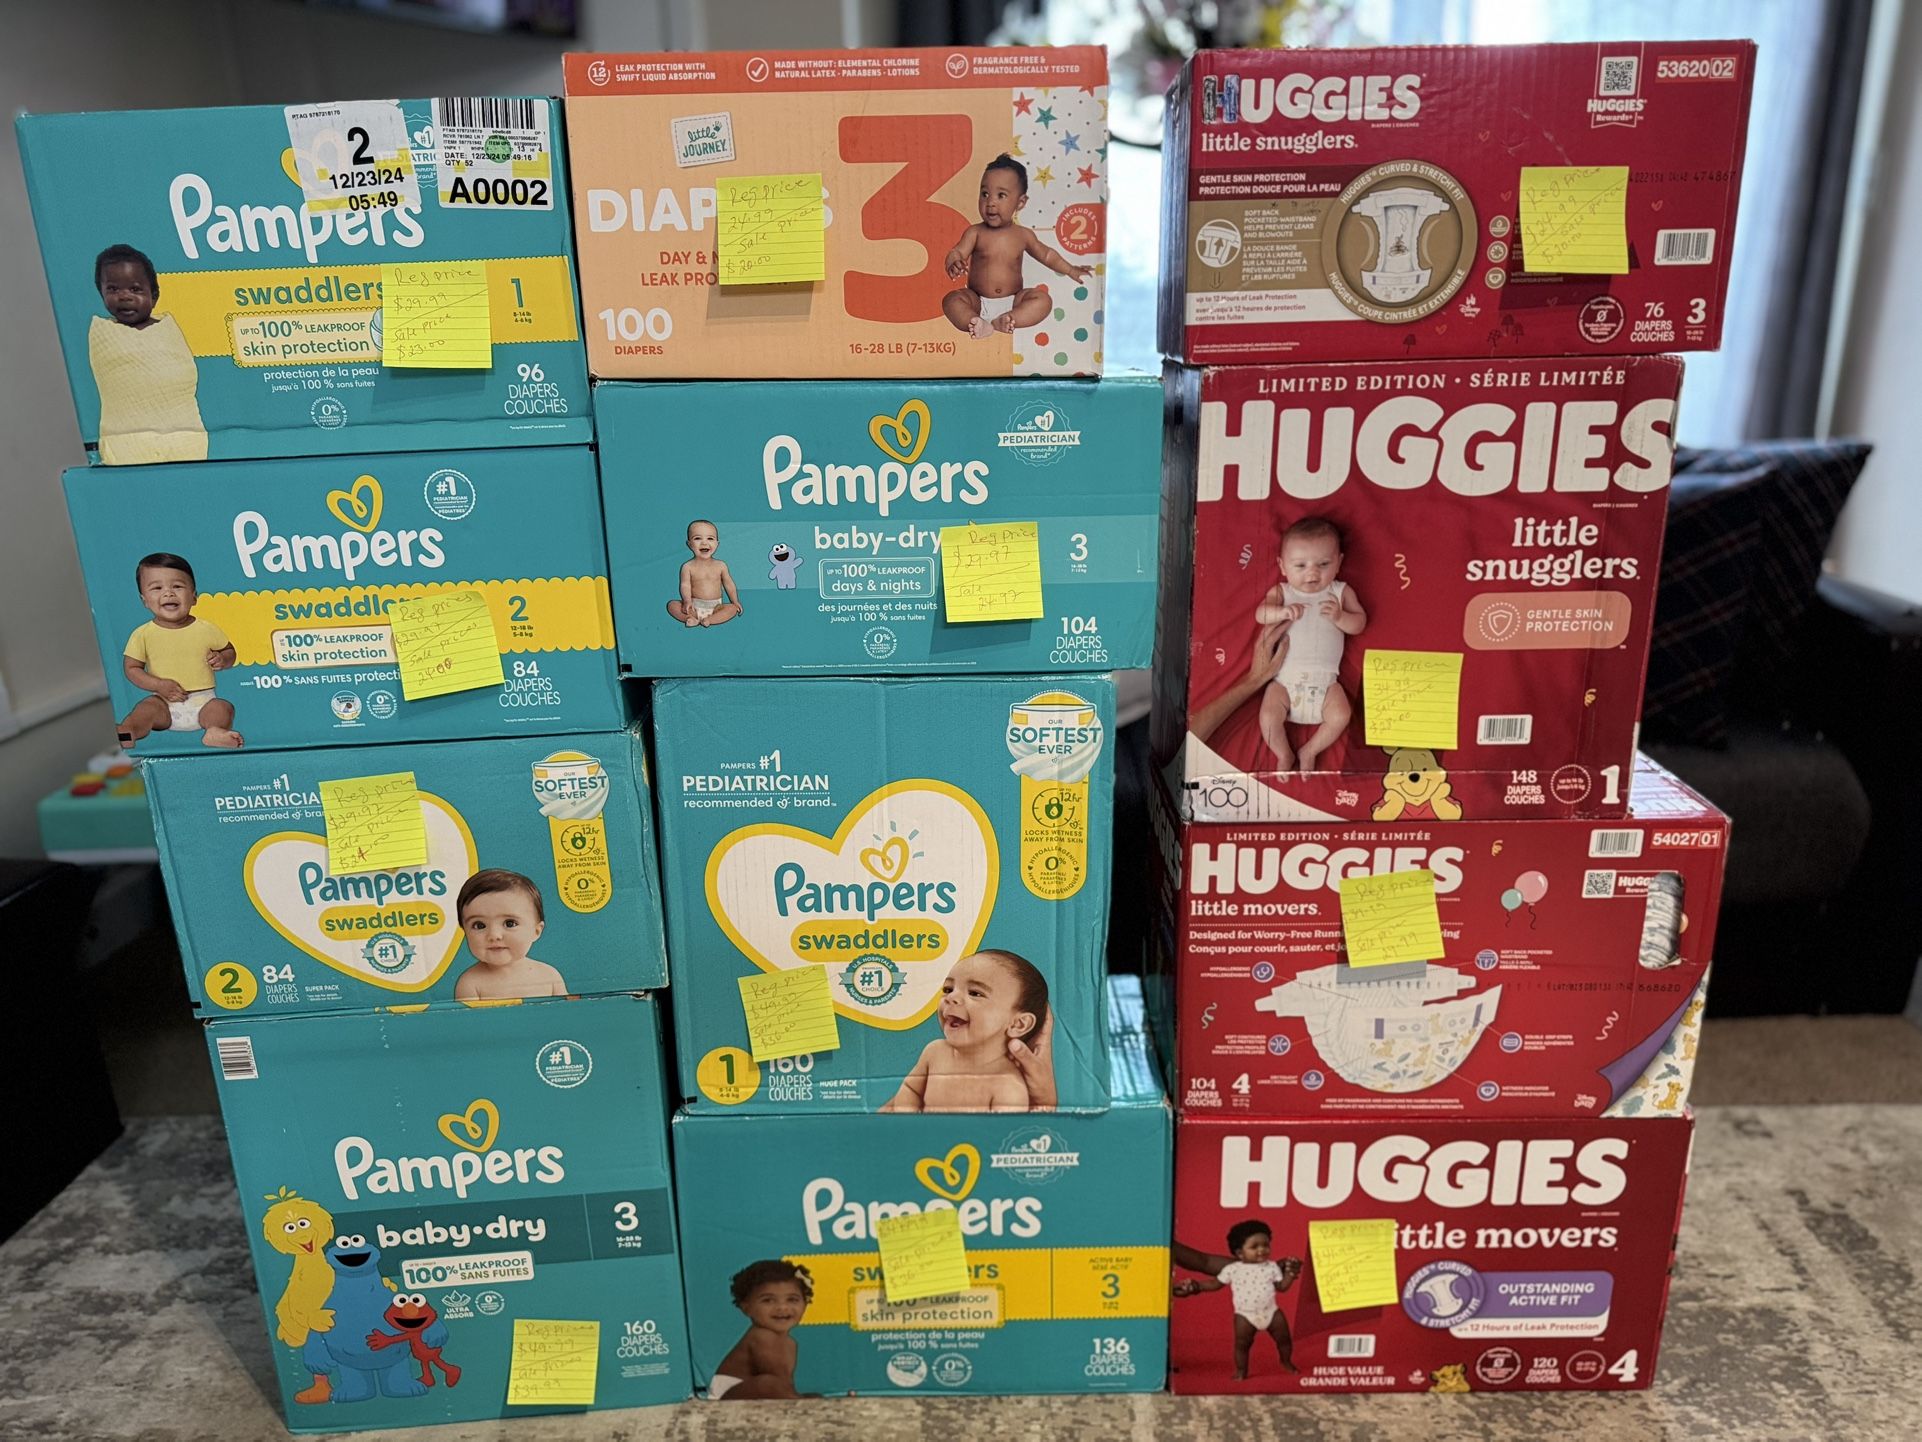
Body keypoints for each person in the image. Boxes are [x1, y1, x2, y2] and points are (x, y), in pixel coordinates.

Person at [1254, 516, 1367, 773]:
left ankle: (1310, 750)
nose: (1312, 573)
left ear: (1339, 562)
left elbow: (1359, 622)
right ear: (1283, 566)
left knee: (1341, 715)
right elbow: (1261, 614)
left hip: (1326, 684)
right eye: (1300, 565)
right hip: (1284, 682)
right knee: (1269, 718)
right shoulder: (1283, 592)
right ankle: (1283, 754)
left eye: (1324, 564)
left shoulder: (1339, 592)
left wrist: (1340, 617)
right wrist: (1281, 612)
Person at [941, 155, 1094, 339]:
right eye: (985, 194)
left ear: (1020, 203)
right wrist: (954, 262)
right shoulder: (975, 232)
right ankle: (975, 322)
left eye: (1001, 195)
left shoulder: (1022, 235)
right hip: (977, 301)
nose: (990, 202)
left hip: (1014, 301)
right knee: (951, 300)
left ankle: (1008, 319)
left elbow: (1047, 255)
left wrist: (1070, 269)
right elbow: (957, 251)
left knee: (1043, 300)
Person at [881, 950, 1049, 1112]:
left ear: (1018, 1024)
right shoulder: (934, 1052)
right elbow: (910, 1089)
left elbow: (1001, 1130)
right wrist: (908, 1120)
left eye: (975, 993)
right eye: (948, 989)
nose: (951, 997)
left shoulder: (1007, 1087)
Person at [87, 244, 208, 464]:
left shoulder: (168, 330)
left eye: (135, 289)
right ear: (101, 293)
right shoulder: (103, 333)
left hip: (184, 440)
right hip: (126, 444)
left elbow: (184, 376)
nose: (124, 297)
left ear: (154, 295)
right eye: (113, 289)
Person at [119, 552, 240, 748]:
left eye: (177, 586)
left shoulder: (206, 629)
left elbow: (230, 652)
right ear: (144, 600)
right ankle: (127, 733)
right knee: (145, 710)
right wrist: (158, 685)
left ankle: (215, 731)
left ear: (194, 597)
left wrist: (222, 659)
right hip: (164, 702)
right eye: (157, 588)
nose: (168, 593)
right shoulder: (143, 634)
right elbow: (131, 668)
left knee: (223, 708)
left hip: (203, 702)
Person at [1173, 1224, 1304, 1379]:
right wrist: (1197, 1286)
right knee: (1242, 1345)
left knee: (1284, 1340)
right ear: (1240, 1253)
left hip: (1272, 1312)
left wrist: (1290, 1273)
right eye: (1254, 1247)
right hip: (1245, 1315)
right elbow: (1215, 1284)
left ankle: (1286, 1361)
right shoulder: (1232, 1269)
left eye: (1266, 1245)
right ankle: (1241, 1371)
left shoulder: (1272, 1267)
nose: (1262, 1250)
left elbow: (1282, 1287)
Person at [452, 870, 568, 999]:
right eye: (479, 925)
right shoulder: (470, 984)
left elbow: (567, 1011)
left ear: (536, 931)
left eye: (510, 923)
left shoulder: (549, 976)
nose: (494, 935)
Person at [710, 1259, 813, 1400]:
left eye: (792, 1300)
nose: (782, 1307)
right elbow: (776, 1382)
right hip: (726, 1395)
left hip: (754, 1393)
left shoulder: (790, 1343)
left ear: (805, 1303)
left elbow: (785, 1384)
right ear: (746, 1307)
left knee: (812, 1395)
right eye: (768, 1300)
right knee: (767, 1383)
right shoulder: (761, 1336)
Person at [667, 519, 742, 627]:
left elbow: (729, 584)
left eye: (710, 538)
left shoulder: (721, 565)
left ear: (717, 543)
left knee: (732, 608)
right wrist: (687, 601)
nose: (704, 542)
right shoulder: (687, 566)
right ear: (689, 544)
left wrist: (735, 601)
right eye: (697, 538)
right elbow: (685, 585)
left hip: (716, 608)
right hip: (693, 606)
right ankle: (689, 618)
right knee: (672, 605)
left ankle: (709, 620)